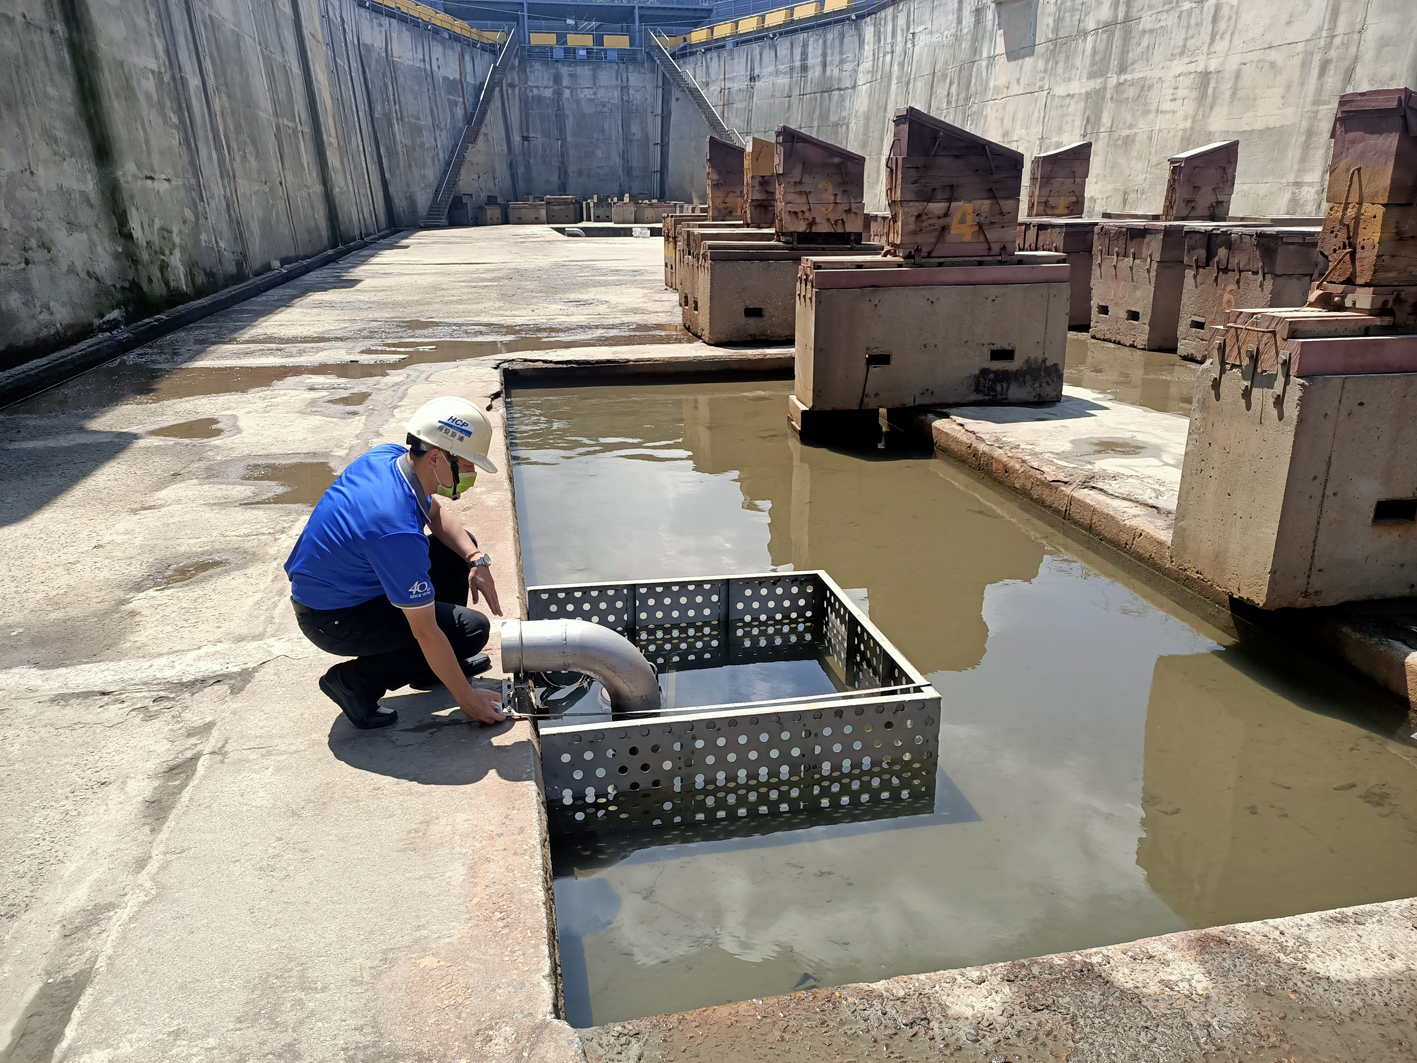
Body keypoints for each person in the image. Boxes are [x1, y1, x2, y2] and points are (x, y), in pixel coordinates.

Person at [284, 396, 507, 729]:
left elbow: (435, 512)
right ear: (436, 456)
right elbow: (426, 631)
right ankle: (354, 683)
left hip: (346, 586)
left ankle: (428, 670)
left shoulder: (389, 458)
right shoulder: (394, 528)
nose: (472, 472)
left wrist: (477, 559)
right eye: (467, 463)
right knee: (469, 631)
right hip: (333, 618)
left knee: (460, 549)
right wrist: (468, 700)